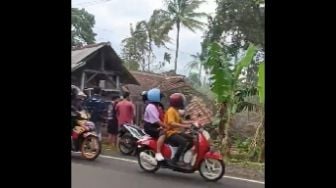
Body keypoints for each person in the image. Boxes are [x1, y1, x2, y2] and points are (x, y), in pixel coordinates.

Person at [164, 93, 195, 167]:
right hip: (170, 133)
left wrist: (193, 122)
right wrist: (184, 126)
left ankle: (183, 156)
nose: (183, 103)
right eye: (181, 101)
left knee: (192, 140)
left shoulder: (176, 110)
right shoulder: (171, 110)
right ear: (178, 102)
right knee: (183, 142)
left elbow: (181, 121)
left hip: (176, 132)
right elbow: (171, 123)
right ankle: (174, 160)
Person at [143, 88, 166, 161]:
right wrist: (165, 126)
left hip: (155, 126)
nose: (161, 99)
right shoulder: (151, 107)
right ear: (155, 97)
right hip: (150, 127)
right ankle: (158, 152)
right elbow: (156, 121)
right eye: (160, 97)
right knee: (163, 133)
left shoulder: (156, 106)